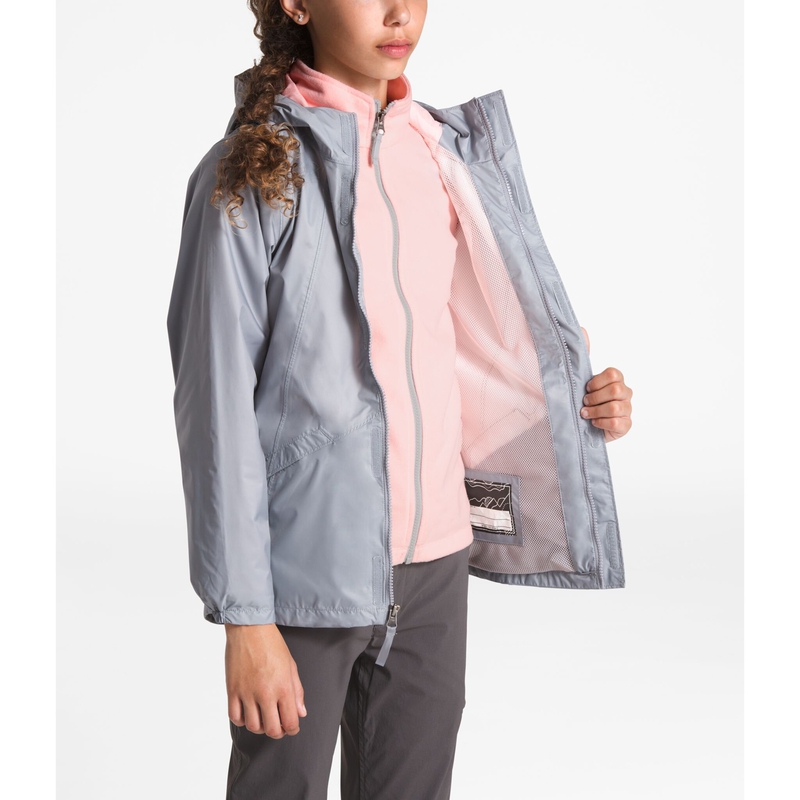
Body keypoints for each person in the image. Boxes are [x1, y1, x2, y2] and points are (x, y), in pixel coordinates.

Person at [166, 1, 634, 798]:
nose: (399, 12)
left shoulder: (444, 154)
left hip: (435, 568)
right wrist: (245, 616)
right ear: (298, 3)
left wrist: (578, 405)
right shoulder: (250, 172)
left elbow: (478, 346)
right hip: (302, 576)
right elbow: (215, 412)